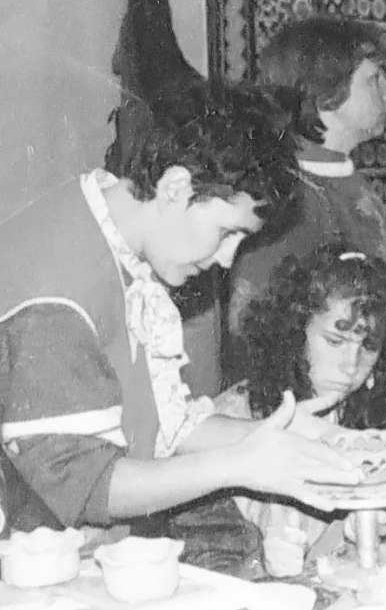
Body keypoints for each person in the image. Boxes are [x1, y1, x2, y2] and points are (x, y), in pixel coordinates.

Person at [0, 82, 363, 537]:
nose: (228, 260)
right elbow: (85, 486)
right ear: (176, 187)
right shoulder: (55, 288)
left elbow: (168, 426)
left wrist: (294, 436)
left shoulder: (119, 243)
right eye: (227, 232)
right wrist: (238, 465)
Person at [229, 16, 386, 428]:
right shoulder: (285, 200)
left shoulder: (345, 178)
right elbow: (262, 344)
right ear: (325, 93)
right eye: (374, 79)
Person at [222, 241, 386, 551]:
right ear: (294, 333)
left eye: (368, 347)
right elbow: (208, 550)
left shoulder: (383, 399)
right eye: (335, 341)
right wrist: (262, 555)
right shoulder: (234, 415)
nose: (351, 366)